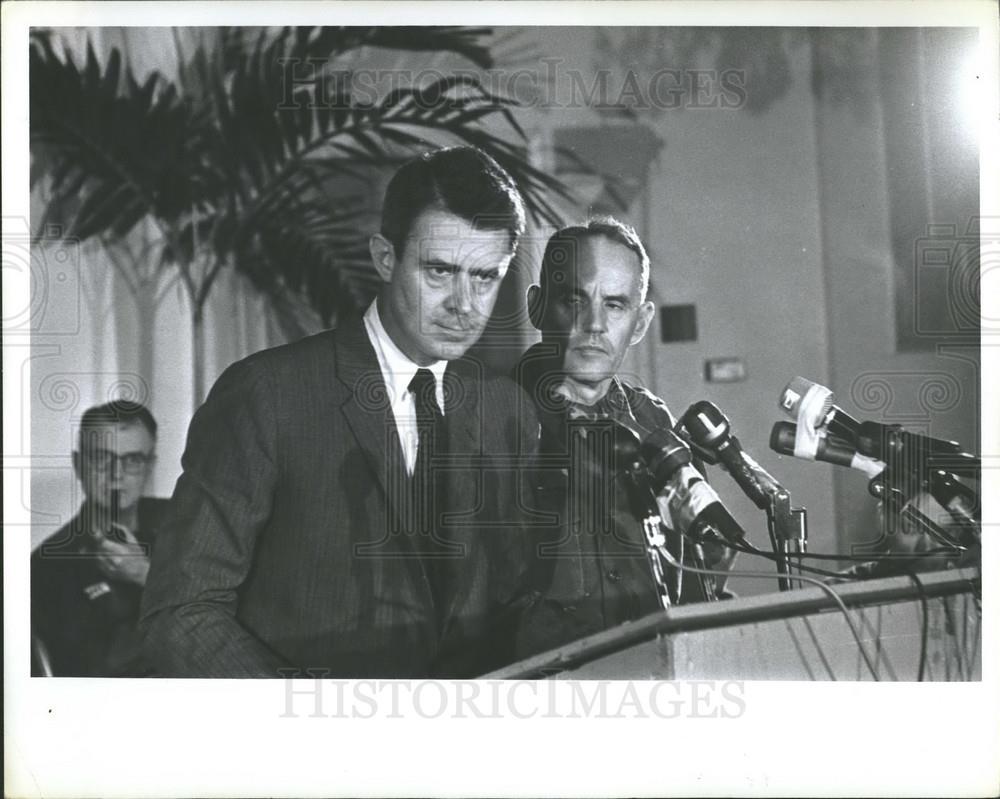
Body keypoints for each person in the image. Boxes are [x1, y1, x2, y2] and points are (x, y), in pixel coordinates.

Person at [140, 146, 539, 678]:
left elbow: (513, 606)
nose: (464, 304)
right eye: (440, 271)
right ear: (384, 258)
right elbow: (181, 612)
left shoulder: (505, 410)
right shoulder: (269, 395)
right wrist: (315, 728)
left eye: (485, 277)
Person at [513, 217, 733, 658]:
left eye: (615, 305)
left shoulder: (653, 420)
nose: (594, 324)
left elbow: (694, 574)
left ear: (640, 322)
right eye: (574, 299)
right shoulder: (489, 421)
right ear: (537, 307)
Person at [31, 401, 165, 676]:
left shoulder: (186, 524)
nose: (117, 474)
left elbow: (235, 614)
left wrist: (146, 576)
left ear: (149, 467)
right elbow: (91, 672)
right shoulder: (48, 564)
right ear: (79, 465)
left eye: (133, 460)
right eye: (102, 458)